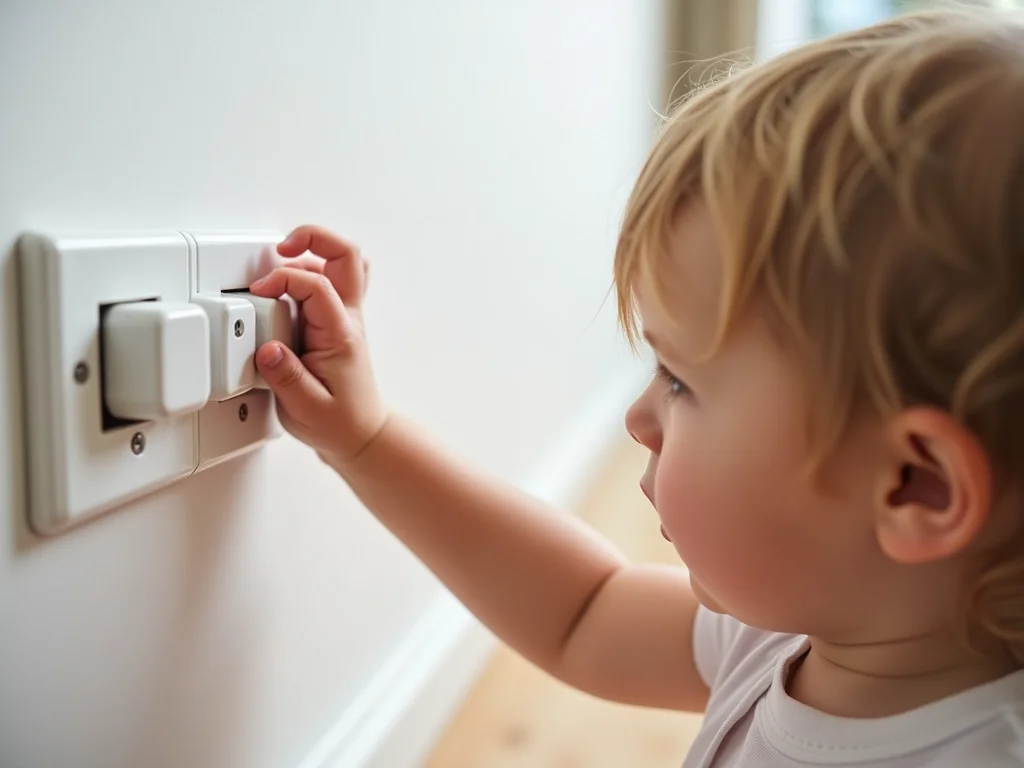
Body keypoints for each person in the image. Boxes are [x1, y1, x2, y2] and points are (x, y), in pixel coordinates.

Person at [247, 7, 1024, 766]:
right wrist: (367, 440)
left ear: (914, 486)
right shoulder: (801, 633)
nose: (639, 418)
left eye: (681, 382)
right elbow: (583, 612)